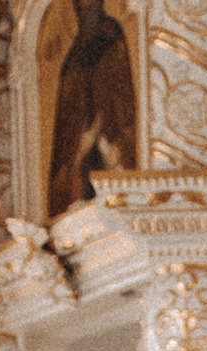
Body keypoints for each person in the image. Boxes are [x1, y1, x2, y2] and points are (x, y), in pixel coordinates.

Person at [45, 0, 138, 215]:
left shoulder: (111, 36)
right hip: (81, 152)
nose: (83, 5)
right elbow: (66, 117)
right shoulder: (73, 55)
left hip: (109, 142)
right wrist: (78, 147)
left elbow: (121, 97)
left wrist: (107, 136)